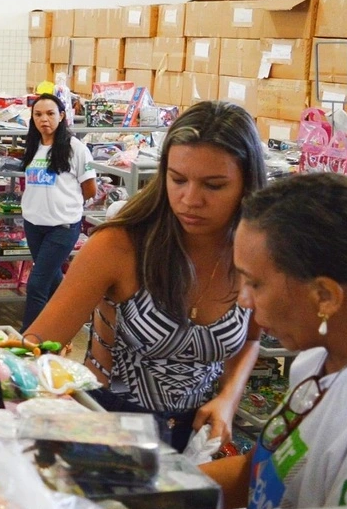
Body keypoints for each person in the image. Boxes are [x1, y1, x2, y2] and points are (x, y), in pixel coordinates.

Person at [23, 101, 266, 451]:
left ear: (246, 184)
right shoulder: (118, 247)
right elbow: (35, 347)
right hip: (107, 430)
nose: (190, 199)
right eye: (178, 179)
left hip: (195, 434)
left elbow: (251, 339)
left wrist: (228, 398)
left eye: (214, 185)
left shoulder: (252, 253)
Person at [202, 173, 347, 509]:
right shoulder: (316, 361)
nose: (244, 301)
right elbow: (265, 471)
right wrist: (151, 491)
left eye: (255, 283)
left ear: (325, 296)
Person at [19, 92, 96, 329]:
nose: (45, 119)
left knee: (37, 284)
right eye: (38, 114)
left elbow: (90, 189)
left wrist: (66, 205)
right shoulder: (33, 146)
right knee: (52, 280)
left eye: (51, 114)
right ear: (32, 118)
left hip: (62, 227)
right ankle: (66, 324)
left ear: (62, 116)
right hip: (33, 225)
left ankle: (29, 340)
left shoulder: (76, 148)